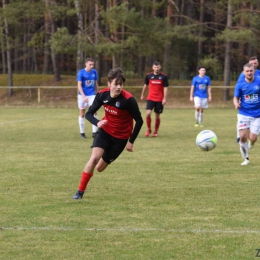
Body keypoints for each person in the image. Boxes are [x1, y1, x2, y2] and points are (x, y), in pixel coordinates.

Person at [72, 67, 143, 199]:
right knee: (93, 158)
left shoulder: (128, 100)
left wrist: (131, 142)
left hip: (121, 138)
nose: (118, 87)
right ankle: (80, 192)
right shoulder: (102, 95)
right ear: (109, 84)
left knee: (99, 168)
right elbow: (89, 114)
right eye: (116, 84)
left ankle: (106, 153)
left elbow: (139, 121)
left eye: (121, 84)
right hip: (105, 131)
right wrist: (97, 123)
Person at [233, 63, 260, 166]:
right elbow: (236, 97)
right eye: (247, 71)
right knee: (242, 136)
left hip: (257, 115)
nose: (249, 73)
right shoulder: (240, 84)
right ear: (243, 72)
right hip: (243, 114)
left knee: (252, 138)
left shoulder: (259, 81)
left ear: (254, 71)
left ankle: (252, 142)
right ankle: (246, 158)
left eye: (251, 71)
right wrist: (236, 103)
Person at [140, 61, 169, 137]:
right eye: (155, 67)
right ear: (153, 68)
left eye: (158, 67)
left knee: (157, 116)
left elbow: (165, 88)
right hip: (150, 98)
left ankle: (155, 131)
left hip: (159, 99)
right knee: (148, 113)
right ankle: (149, 129)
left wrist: (164, 98)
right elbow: (145, 85)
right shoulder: (148, 76)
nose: (156, 68)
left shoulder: (164, 77)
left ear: (160, 67)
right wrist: (142, 95)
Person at [236, 56, 260, 142]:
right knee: (242, 119)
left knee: (252, 136)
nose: (253, 64)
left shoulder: (259, 74)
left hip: (257, 106)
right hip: (245, 102)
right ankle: (239, 134)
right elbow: (239, 86)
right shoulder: (243, 74)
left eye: (255, 63)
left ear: (257, 64)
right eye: (252, 63)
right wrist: (237, 101)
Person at [76, 58, 98, 138]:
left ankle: (94, 132)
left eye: (92, 64)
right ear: (86, 64)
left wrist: (97, 94)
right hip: (82, 95)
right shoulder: (81, 73)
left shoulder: (94, 72)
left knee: (94, 111)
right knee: (82, 113)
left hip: (92, 95)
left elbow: (95, 83)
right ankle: (82, 133)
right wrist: (83, 96)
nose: (91, 66)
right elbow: (79, 85)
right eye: (90, 64)